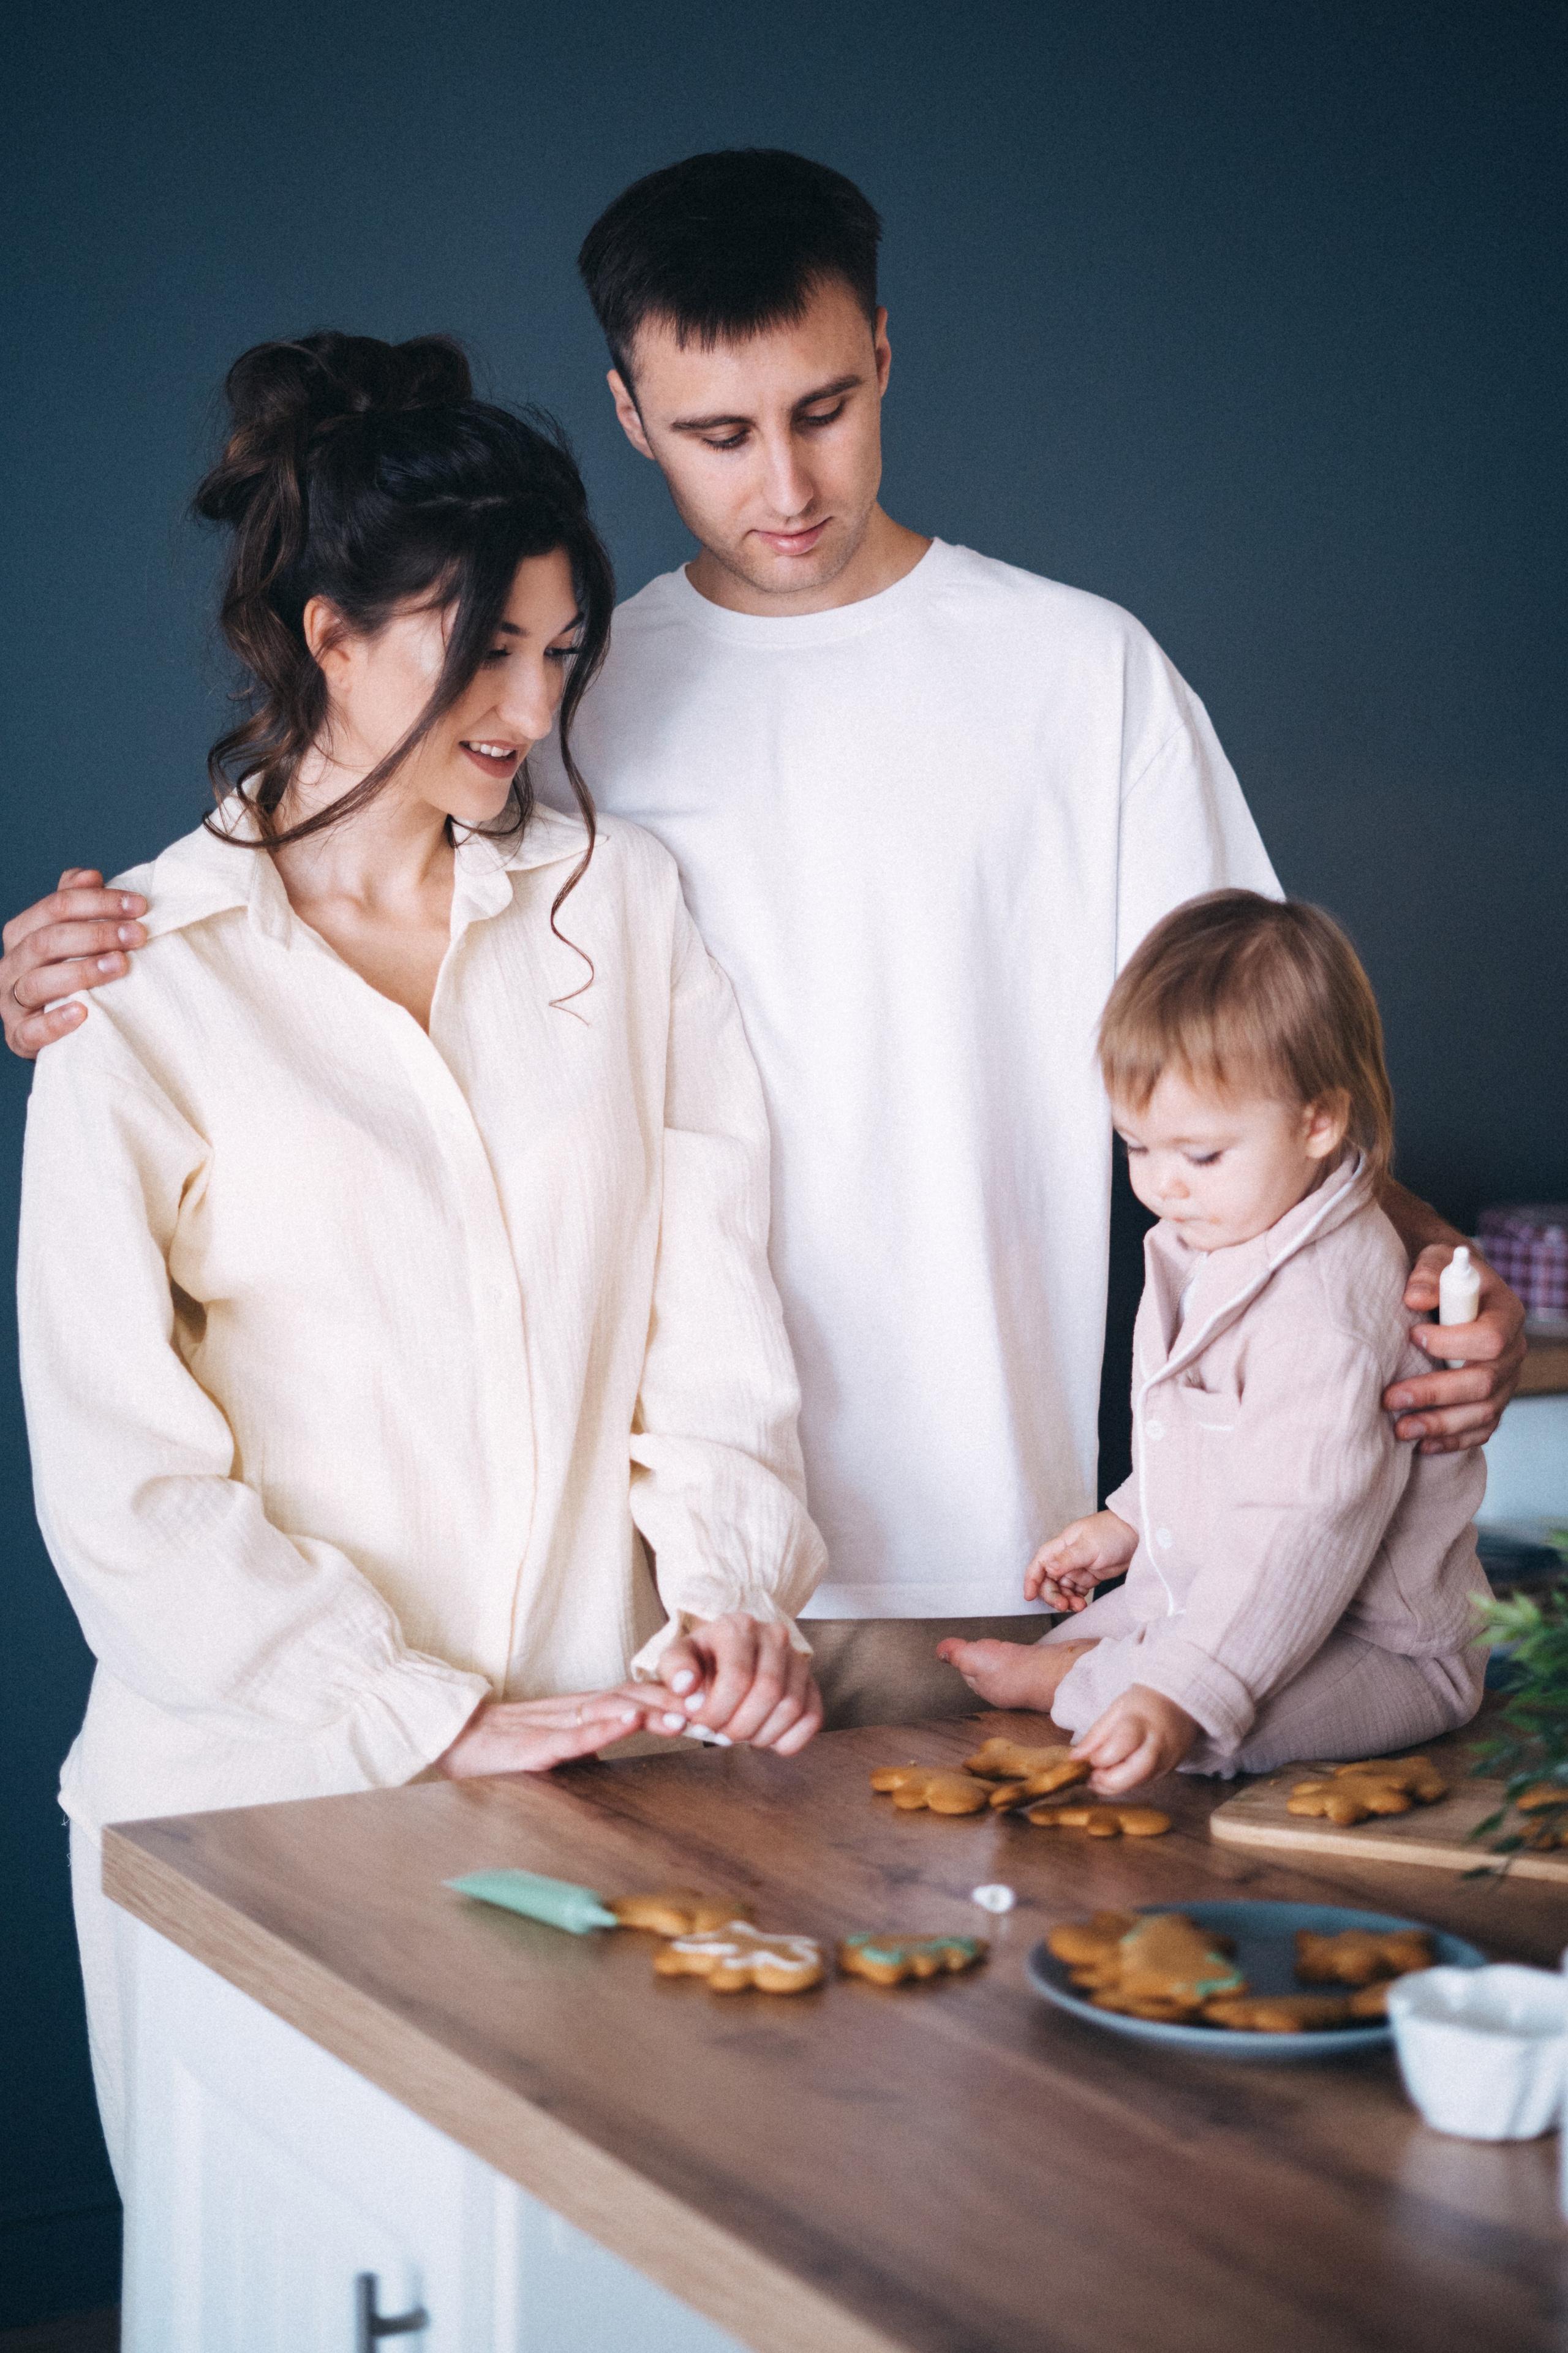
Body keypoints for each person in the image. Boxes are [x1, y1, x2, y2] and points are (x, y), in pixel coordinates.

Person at [3, 151, 1525, 1731]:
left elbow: (1265, 1077)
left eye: (821, 410)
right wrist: (91, 962)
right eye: (718, 436)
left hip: (1017, 1556)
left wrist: (1425, 1287)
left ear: (882, 351)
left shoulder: (1083, 682)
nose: (783, 487)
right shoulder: (558, 697)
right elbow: (325, 930)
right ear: (627, 413)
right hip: (649, 1605)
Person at [18, 331, 826, 2180]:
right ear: (329, 634)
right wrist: (419, 1715)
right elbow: (119, 1472)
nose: (531, 712)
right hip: (254, 1803)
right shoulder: (138, 976)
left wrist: (726, 1588)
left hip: (601, 1786)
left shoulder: (623, 909)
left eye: (560, 655)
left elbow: (711, 1306)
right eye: (486, 652)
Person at [940, 892, 1491, 1787]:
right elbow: (1217, 1434)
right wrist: (1129, 1520)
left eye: (1199, 1155)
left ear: (1319, 1121)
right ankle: (1080, 1670)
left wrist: (1178, 1693)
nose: (1165, 1186)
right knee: (1110, 1644)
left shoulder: (1326, 1306)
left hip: (1380, 1640)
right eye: (1136, 1147)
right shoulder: (1219, 1233)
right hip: (1223, 1581)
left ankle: (1072, 1685)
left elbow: (1298, 1528)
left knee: (1202, 1723)